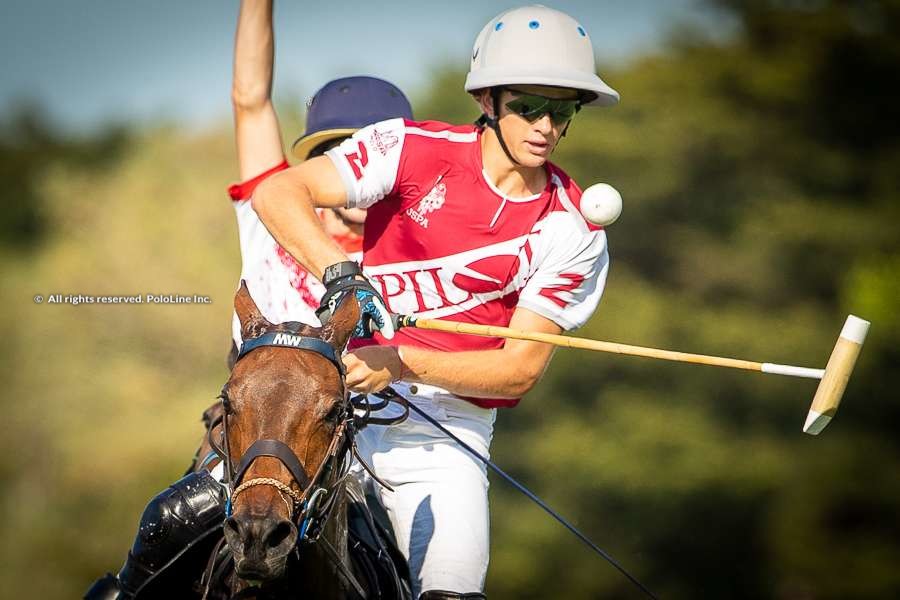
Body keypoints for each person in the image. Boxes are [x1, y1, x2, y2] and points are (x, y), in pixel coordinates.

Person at [251, 5, 619, 598]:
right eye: (528, 106)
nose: (546, 126)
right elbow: (280, 192)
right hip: (331, 409)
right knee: (187, 525)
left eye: (563, 110)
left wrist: (399, 363)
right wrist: (343, 274)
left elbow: (517, 371)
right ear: (488, 100)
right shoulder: (408, 149)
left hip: (446, 437)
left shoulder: (572, 229)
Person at [83, 0, 413, 597]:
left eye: (370, 152)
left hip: (356, 452)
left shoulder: (415, 251)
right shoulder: (273, 213)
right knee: (165, 521)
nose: (354, 168)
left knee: (401, 571)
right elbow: (251, 99)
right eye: (337, 152)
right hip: (247, 446)